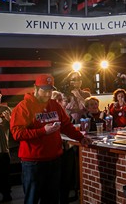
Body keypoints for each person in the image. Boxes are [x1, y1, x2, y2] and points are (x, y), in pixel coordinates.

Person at [10, 74, 91, 204]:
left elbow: (66, 125)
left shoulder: (54, 105)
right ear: (35, 88)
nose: (48, 94)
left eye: (50, 90)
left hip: (54, 160)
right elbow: (17, 134)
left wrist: (80, 138)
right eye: (44, 90)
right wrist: (43, 131)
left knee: (52, 199)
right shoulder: (23, 107)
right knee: (32, 199)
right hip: (33, 162)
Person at [51, 90, 79, 203]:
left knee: (66, 179)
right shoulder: (50, 113)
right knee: (56, 180)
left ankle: (64, 199)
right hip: (55, 150)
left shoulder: (65, 113)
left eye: (60, 99)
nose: (59, 102)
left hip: (68, 149)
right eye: (56, 100)